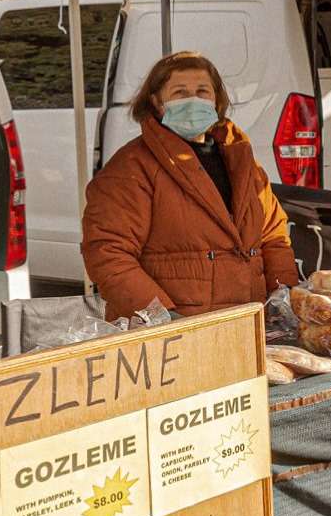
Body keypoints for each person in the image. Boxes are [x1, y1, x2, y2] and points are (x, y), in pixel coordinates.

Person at [83, 51, 298, 320]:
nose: (192, 100)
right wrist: (160, 314)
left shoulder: (242, 161)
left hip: (244, 325)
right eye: (180, 93)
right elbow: (108, 252)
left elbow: (273, 235)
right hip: (176, 335)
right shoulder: (130, 168)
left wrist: (283, 290)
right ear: (157, 102)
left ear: (217, 100)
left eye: (202, 91)